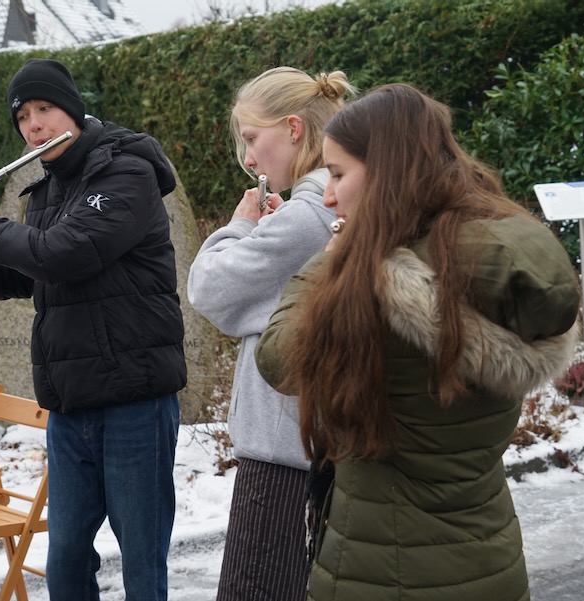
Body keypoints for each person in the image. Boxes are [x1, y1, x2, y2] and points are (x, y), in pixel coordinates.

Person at [254, 83, 581, 601]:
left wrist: (332, 260)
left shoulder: (368, 292)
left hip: (384, 572)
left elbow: (278, 358)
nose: (329, 196)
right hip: (489, 562)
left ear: (386, 173)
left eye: (337, 174)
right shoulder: (481, 259)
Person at [0, 58, 186, 601]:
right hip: (72, 404)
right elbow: (25, 275)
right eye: (23, 117)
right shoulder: (48, 189)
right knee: (66, 562)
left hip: (135, 399)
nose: (34, 126)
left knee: (142, 563)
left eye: (44, 109)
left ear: (72, 109)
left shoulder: (127, 172)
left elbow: (63, 253)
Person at [187, 66, 356, 600]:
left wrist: (241, 226)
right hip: (309, 446)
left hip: (283, 456)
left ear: (294, 128)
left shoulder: (310, 213)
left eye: (252, 138)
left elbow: (208, 288)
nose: (249, 158)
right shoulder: (331, 204)